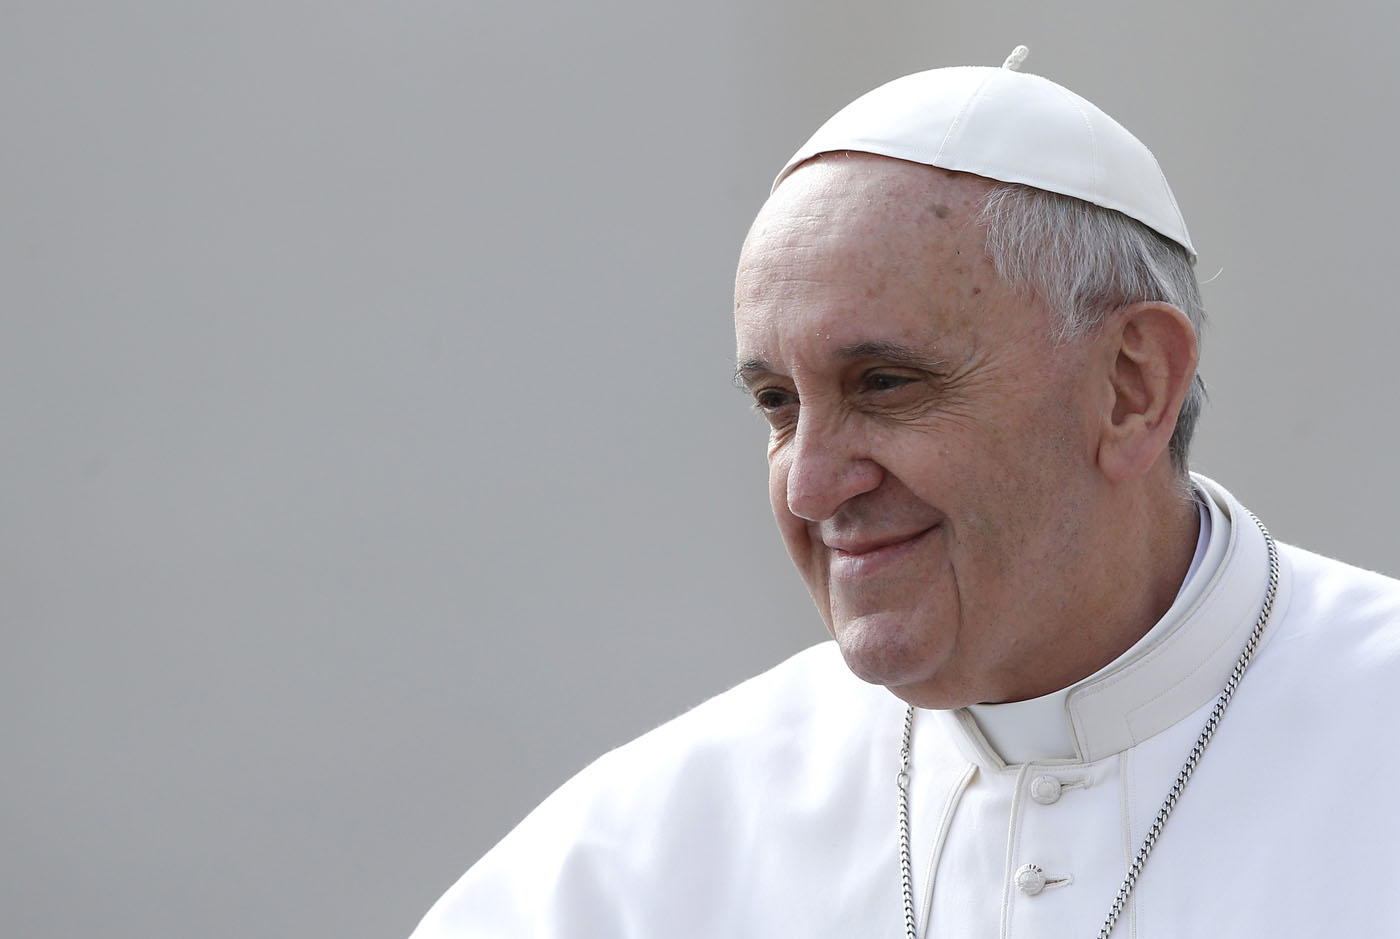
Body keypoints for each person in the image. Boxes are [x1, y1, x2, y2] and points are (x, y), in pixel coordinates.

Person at [410, 48, 1400, 938]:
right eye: (776, 404)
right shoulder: (634, 860)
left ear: (1130, 387)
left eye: (883, 384)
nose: (808, 485)